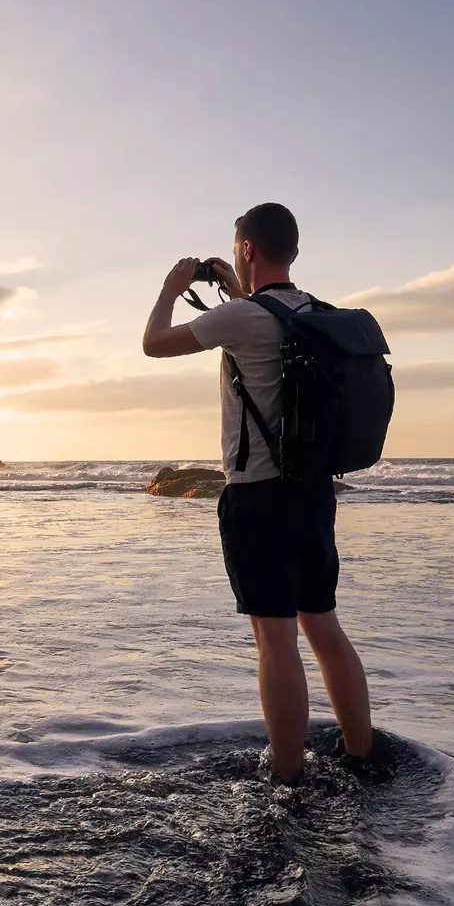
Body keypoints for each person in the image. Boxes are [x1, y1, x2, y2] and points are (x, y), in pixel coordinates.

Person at [140, 202, 374, 784]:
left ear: (246, 248)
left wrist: (172, 288)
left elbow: (153, 342)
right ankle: (361, 752)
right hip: (316, 493)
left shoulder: (240, 319)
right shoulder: (317, 313)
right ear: (292, 250)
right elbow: (261, 313)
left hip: (259, 498)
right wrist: (232, 284)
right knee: (323, 625)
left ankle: (288, 777)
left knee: (275, 638)